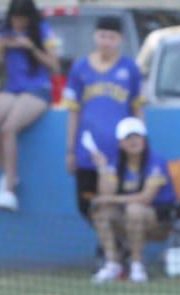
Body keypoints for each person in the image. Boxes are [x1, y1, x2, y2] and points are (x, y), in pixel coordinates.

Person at [64, 14, 142, 254]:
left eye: (111, 37)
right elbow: (73, 112)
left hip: (119, 152)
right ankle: (111, 245)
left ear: (119, 39)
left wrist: (139, 144)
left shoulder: (129, 69)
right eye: (102, 36)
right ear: (95, 36)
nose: (106, 41)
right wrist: (70, 150)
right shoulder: (80, 68)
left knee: (117, 204)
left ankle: (118, 249)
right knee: (86, 203)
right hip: (88, 151)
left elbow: (138, 109)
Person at [0, 0, 62, 210]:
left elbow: (54, 66)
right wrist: (0, 49)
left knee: (8, 127)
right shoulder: (5, 32)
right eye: (15, 19)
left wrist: (30, 47)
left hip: (37, 88)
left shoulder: (43, 31)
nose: (18, 24)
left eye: (22, 20)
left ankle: (8, 189)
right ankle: (9, 173)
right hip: (12, 88)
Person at [84, 116, 175, 284]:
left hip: (159, 222)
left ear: (145, 139)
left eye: (137, 136)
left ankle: (137, 265)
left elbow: (146, 198)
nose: (134, 141)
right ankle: (113, 264)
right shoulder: (116, 163)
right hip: (127, 221)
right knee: (101, 212)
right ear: (121, 143)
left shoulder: (156, 162)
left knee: (135, 209)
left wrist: (111, 198)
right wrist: (102, 168)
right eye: (128, 138)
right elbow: (104, 194)